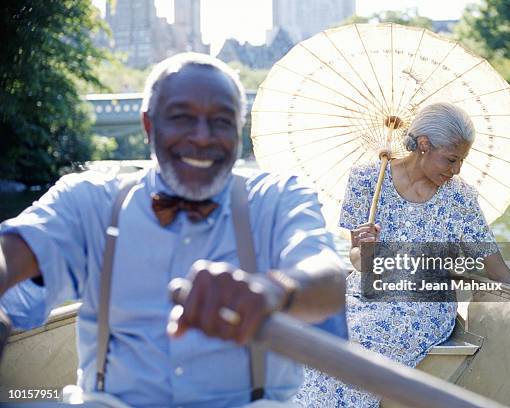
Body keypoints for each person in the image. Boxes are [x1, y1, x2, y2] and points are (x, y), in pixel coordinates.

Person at [0, 52, 346, 407]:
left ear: (238, 130)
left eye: (221, 121)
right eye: (182, 117)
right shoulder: (87, 201)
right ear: (149, 125)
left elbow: (328, 277)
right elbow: (9, 254)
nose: (201, 137)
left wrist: (274, 289)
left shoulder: (279, 197)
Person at [295, 102, 510, 407]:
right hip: (362, 296)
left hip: (421, 308)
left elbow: (495, 265)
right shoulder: (366, 180)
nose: (456, 171)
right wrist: (366, 247)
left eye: (462, 161)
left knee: (362, 341)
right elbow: (360, 263)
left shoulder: (460, 197)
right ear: (424, 145)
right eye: (451, 159)